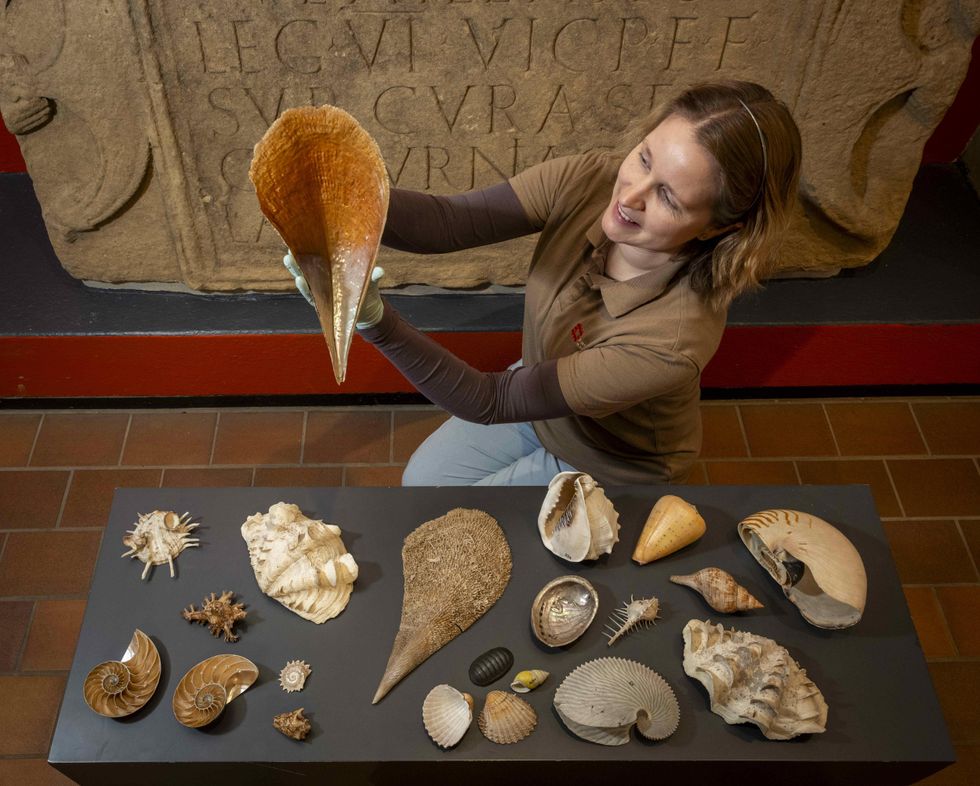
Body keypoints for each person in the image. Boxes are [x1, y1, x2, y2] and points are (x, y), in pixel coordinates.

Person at [285, 80, 802, 487]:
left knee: (465, 518)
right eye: (644, 158)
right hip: (542, 387)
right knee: (424, 481)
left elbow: (490, 400)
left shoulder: (672, 342)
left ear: (719, 227)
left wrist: (374, 321)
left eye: (668, 197)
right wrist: (342, 194)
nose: (630, 196)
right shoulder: (591, 179)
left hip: (610, 459)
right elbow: (448, 222)